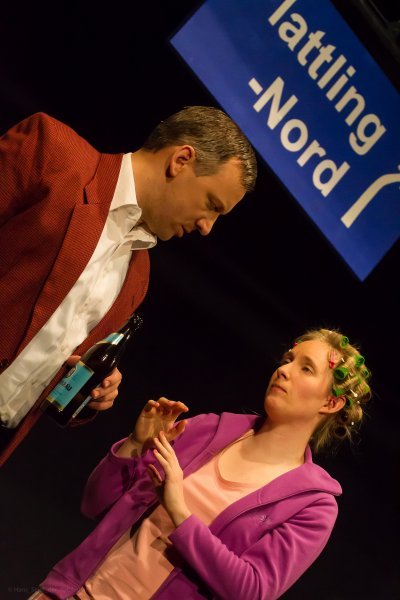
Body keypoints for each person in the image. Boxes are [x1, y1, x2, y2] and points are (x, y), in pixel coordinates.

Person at [31, 328, 371, 599]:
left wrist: (179, 510)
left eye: (305, 368)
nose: (283, 370)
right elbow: (93, 504)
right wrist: (135, 445)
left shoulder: (312, 505)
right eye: (288, 359)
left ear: (331, 403)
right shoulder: (207, 430)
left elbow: (250, 590)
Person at [0, 107, 257, 466]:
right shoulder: (52, 152)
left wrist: (90, 392)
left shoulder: (138, 275)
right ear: (181, 160)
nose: (206, 226)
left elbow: (44, 372)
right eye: (211, 205)